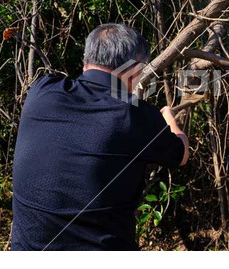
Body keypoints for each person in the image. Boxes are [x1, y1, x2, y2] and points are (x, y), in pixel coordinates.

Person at [11, 23, 189, 250]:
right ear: (134, 69)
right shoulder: (135, 115)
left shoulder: (41, 91)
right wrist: (170, 121)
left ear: (86, 59)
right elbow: (181, 154)